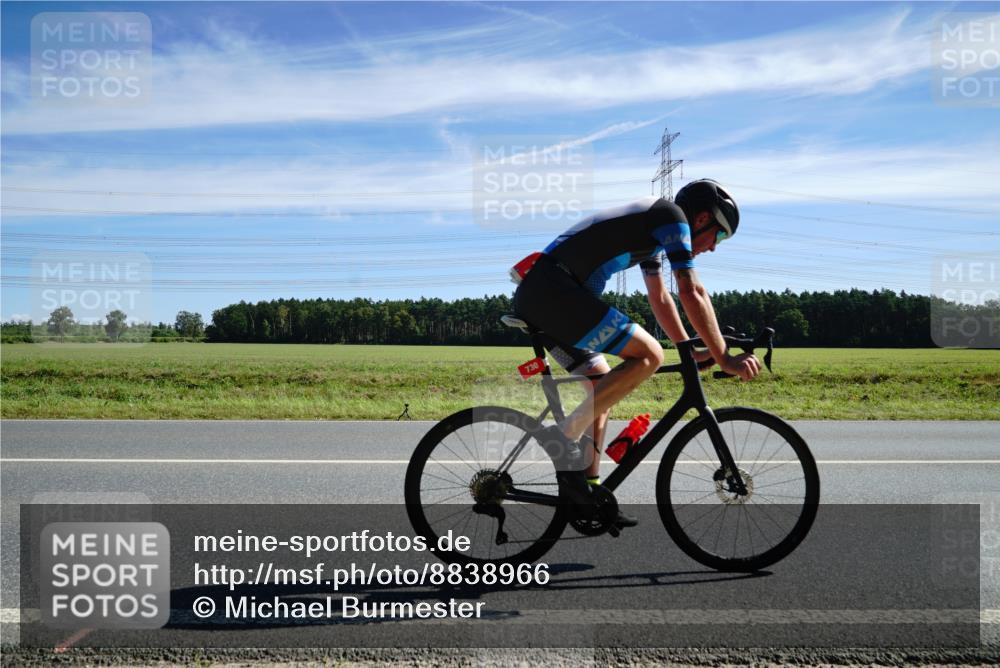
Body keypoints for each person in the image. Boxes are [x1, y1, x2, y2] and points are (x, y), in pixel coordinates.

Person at [511, 179, 761, 526]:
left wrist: (689, 350)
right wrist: (724, 358)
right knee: (649, 355)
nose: (714, 247)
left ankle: (588, 493)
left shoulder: (655, 231)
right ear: (702, 219)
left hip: (547, 294)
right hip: (555, 292)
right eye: (719, 235)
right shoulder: (671, 218)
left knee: (601, 383)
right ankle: (563, 435)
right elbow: (691, 290)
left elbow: (660, 298)